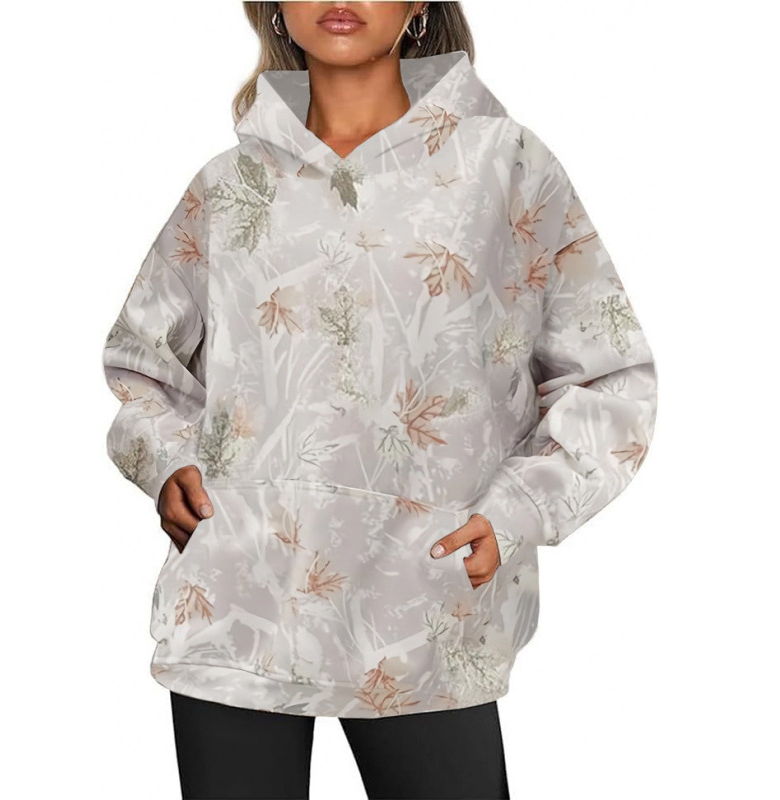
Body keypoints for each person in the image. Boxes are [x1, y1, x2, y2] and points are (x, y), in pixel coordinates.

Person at [101, 2, 659, 798]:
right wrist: (165, 462)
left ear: (420, 6)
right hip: (238, 603)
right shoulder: (229, 187)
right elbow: (143, 363)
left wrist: (519, 510)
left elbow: (610, 372)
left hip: (425, 602)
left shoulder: (503, 166)